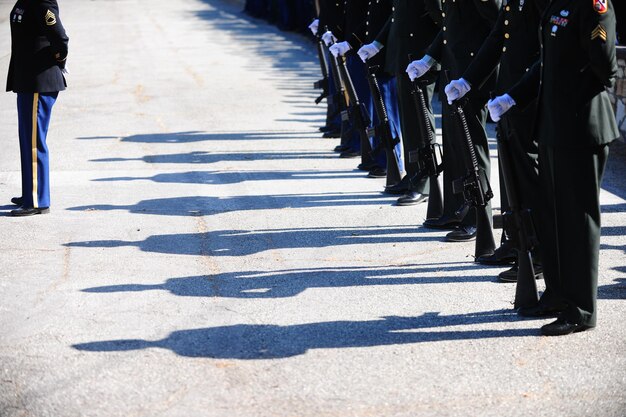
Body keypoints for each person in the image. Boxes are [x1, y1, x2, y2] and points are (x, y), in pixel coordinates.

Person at [489, 0, 619, 335]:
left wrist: (570, 100)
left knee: (578, 220)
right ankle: (558, 294)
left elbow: (604, 66)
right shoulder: (558, 4)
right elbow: (546, 64)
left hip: (581, 127)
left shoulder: (592, 4)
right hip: (553, 127)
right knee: (554, 216)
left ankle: (581, 309)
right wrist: (513, 97)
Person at [443, 0, 548, 275]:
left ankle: (538, 250)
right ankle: (515, 240)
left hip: (529, 94)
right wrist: (467, 80)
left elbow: (547, 47)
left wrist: (519, 93)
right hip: (509, 91)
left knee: (529, 175)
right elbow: (497, 39)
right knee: (510, 172)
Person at [406, 0, 500, 255]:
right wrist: (428, 59)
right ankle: (456, 208)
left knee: (472, 147)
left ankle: (478, 217)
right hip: (453, 69)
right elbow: (449, 28)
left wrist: (480, 75)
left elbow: (498, 29)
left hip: (472, 73)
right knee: (454, 143)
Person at [357, 0, 443, 205]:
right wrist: (377, 43)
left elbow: (443, 23)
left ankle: (424, 181)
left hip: (420, 58)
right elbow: (397, 16)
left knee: (420, 119)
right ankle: (413, 174)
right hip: (404, 55)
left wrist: (429, 58)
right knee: (409, 121)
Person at [6, 0, 69, 216]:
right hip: (26, 79)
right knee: (27, 139)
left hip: (39, 80)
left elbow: (60, 38)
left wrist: (58, 60)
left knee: (34, 141)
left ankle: (37, 200)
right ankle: (30, 192)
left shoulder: (42, 0)